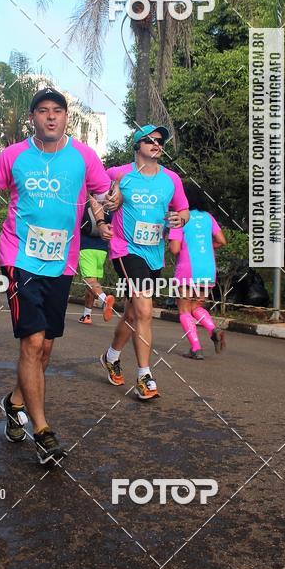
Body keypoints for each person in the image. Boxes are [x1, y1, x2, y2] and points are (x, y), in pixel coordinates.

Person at [0, 87, 116, 464]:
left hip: (62, 262)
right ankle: (43, 431)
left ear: (66, 118)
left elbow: (104, 194)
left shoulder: (84, 156)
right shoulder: (13, 155)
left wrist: (111, 204)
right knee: (32, 343)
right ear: (32, 118)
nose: (51, 117)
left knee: (45, 349)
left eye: (58, 111)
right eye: (43, 111)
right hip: (21, 259)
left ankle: (14, 401)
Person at [100, 124, 189, 401]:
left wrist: (179, 220)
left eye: (160, 140)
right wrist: (103, 219)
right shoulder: (119, 174)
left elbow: (182, 209)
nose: (156, 144)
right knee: (145, 311)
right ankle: (144, 375)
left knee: (132, 313)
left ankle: (111, 356)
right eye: (149, 140)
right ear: (137, 145)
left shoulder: (171, 179)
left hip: (154, 252)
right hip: (126, 250)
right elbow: (95, 193)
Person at [168, 183, 227, 359]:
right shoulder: (208, 217)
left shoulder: (180, 218)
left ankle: (196, 348)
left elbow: (175, 249)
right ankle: (213, 329)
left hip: (188, 268)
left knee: (184, 310)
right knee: (196, 306)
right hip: (208, 269)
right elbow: (221, 240)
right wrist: (207, 247)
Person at [77, 197, 114, 325]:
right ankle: (86, 315)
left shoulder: (83, 203)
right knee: (93, 284)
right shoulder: (108, 208)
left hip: (86, 247)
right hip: (102, 249)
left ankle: (104, 300)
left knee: (89, 280)